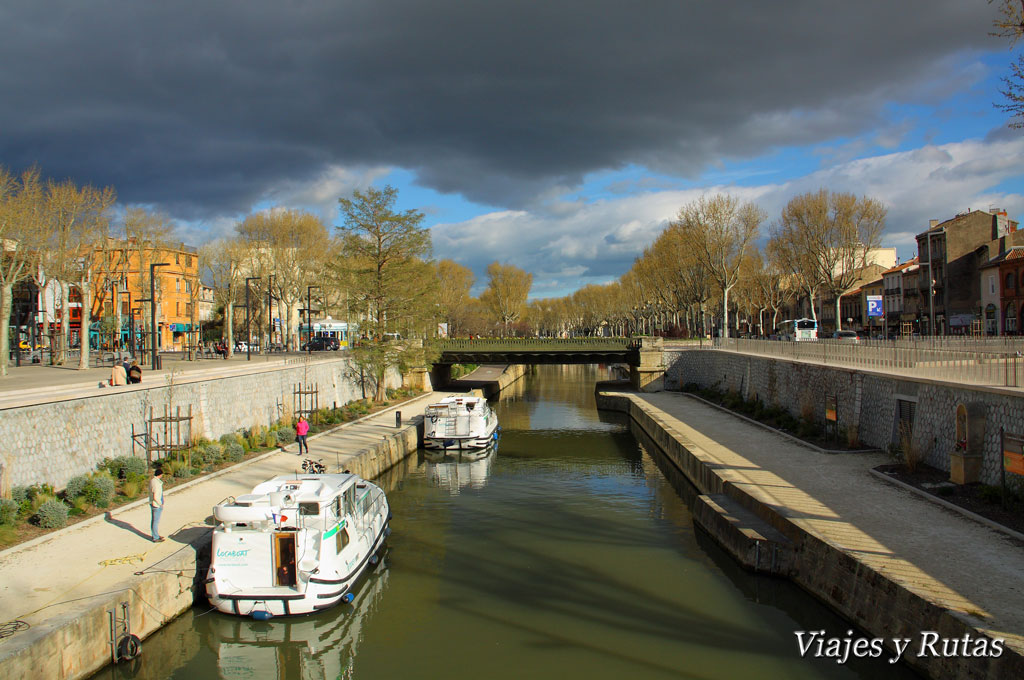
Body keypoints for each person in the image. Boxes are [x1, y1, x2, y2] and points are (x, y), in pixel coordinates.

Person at [149, 467, 165, 543]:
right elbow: (156, 496)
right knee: (156, 521)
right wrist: (160, 504)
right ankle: (155, 537)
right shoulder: (156, 483)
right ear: (160, 474)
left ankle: (156, 535)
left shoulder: (152, 481)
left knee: (154, 521)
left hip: (152, 503)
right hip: (156, 505)